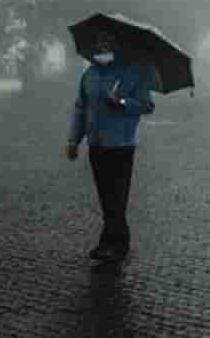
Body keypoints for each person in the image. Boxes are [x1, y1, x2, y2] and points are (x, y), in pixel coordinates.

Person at [64, 31, 157, 261]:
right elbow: (80, 109)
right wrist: (74, 139)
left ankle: (115, 245)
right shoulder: (89, 75)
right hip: (97, 144)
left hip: (121, 144)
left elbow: (147, 105)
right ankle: (113, 242)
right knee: (106, 197)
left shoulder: (131, 73)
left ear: (115, 47)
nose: (102, 47)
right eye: (99, 44)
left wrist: (122, 102)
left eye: (107, 43)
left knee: (117, 197)